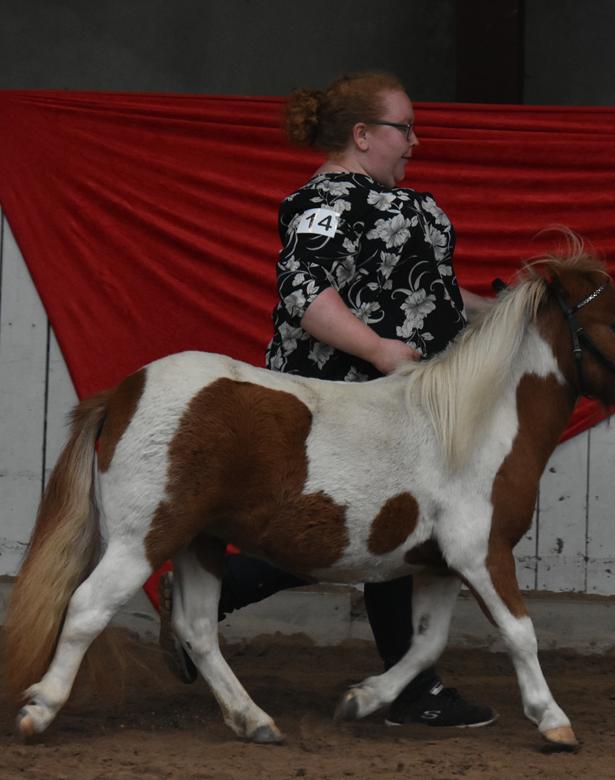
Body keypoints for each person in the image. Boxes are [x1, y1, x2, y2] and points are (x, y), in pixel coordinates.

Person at [159, 71, 495, 728]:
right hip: (336, 408)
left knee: (373, 540)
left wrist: (503, 312)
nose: (415, 142)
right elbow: (307, 296)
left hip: (386, 407)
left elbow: (429, 302)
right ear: (364, 135)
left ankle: (216, 596)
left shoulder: (380, 201)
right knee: (372, 539)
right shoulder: (328, 203)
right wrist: (377, 351)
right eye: (404, 128)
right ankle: (411, 690)